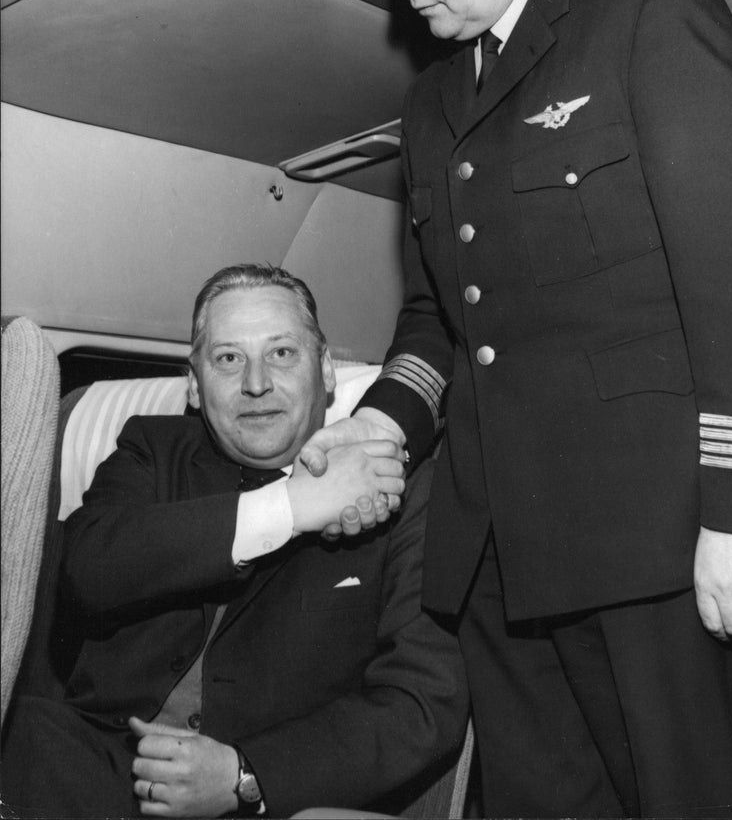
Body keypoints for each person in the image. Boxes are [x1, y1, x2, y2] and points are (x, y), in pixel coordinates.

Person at [297, 0, 732, 817]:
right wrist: (376, 422)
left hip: (659, 544)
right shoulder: (432, 104)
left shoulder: (645, 14)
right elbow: (441, 313)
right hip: (498, 556)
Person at [2, 264, 468, 819]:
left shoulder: (401, 485)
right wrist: (289, 509)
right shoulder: (152, 451)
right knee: (29, 731)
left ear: (325, 370)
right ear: (195, 385)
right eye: (228, 358)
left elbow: (421, 704)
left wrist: (243, 775)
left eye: (282, 354)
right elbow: (89, 567)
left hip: (272, 794)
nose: (255, 383)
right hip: (97, 773)